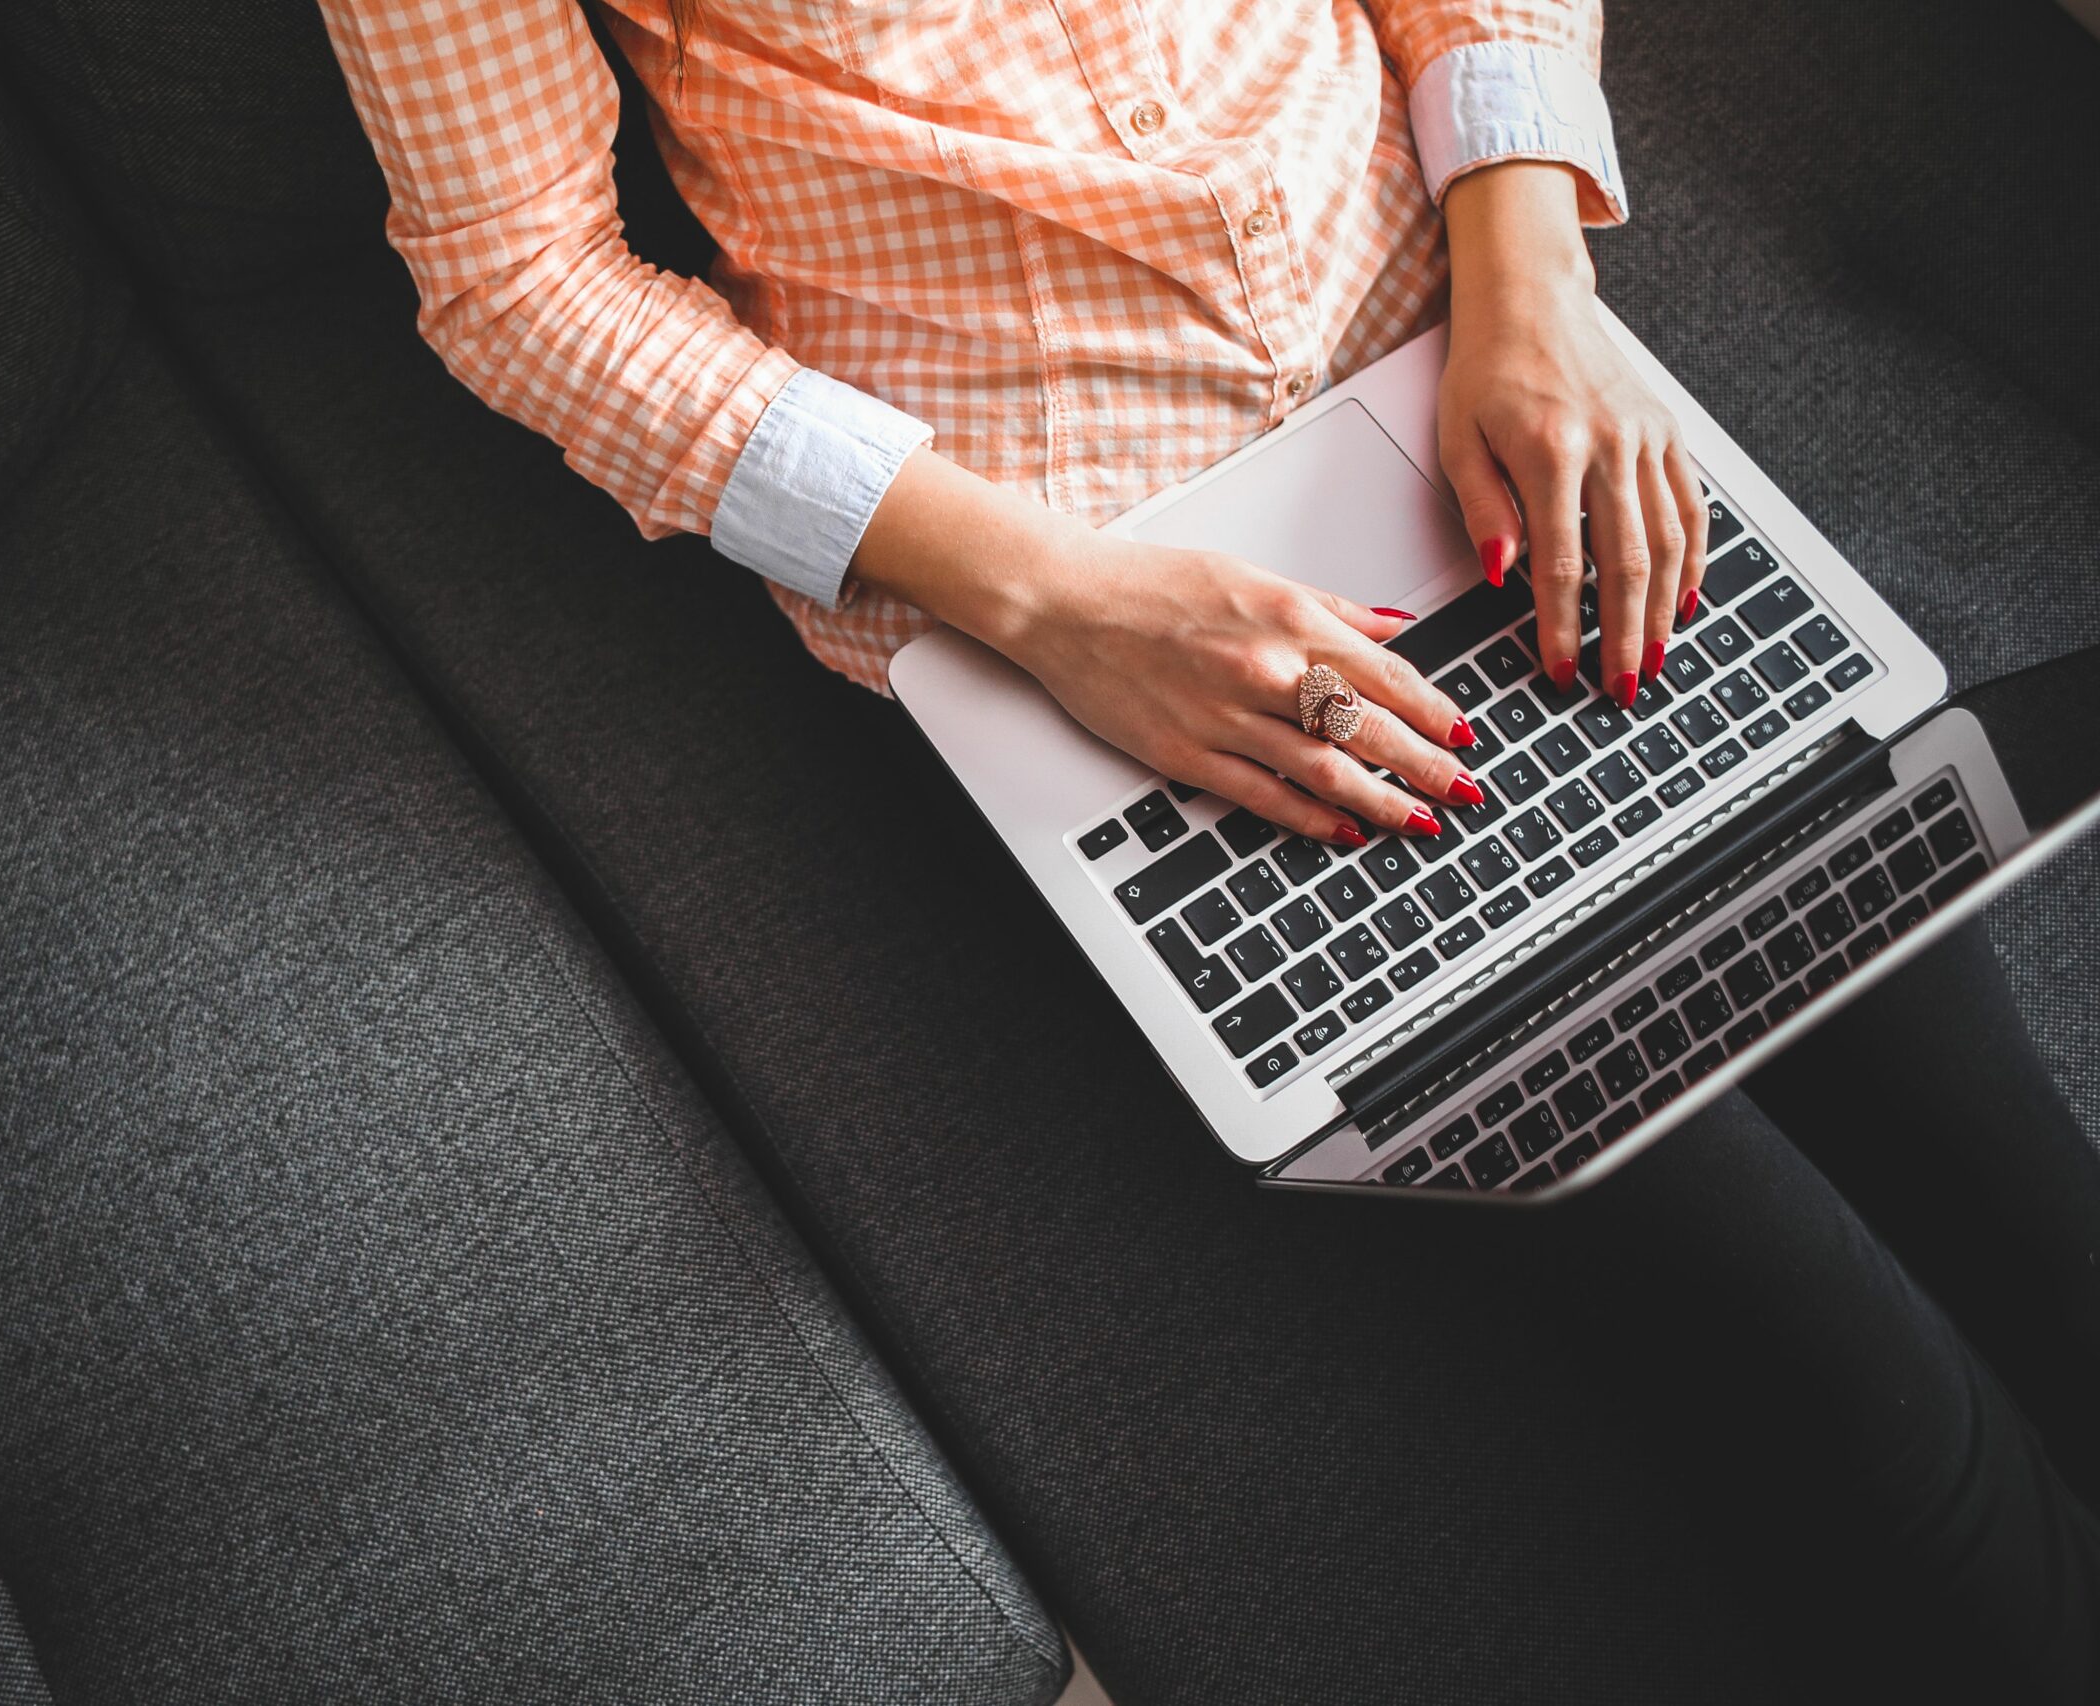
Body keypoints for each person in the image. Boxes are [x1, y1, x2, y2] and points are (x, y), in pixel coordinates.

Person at [316, 0, 2100, 1692]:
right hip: (1094, 592)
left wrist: (1536, 277)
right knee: (1858, 1395)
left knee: (2009, 1170)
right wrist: (1060, 599)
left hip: (1469, 380)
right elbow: (521, 278)